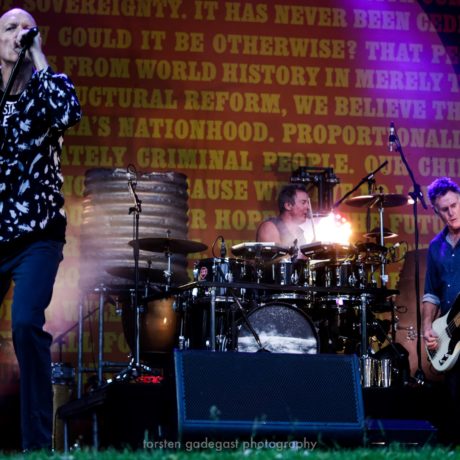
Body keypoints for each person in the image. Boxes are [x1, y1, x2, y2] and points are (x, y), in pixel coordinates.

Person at [0, 8, 81, 452]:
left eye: (25, 28)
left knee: (26, 323)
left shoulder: (50, 86)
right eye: (9, 28)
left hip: (37, 233)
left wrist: (39, 57)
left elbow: (68, 114)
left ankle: (36, 444)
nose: (19, 34)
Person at [422, 177, 460, 442]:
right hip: (451, 333)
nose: (451, 213)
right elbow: (431, 293)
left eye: (455, 205)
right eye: (445, 209)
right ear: (436, 212)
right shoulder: (436, 246)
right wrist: (427, 326)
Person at [256, 183, 314, 252]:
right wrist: (308, 252)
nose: (308, 207)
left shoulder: (299, 232)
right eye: (303, 202)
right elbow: (277, 257)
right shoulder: (269, 227)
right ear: (288, 205)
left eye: (308, 203)